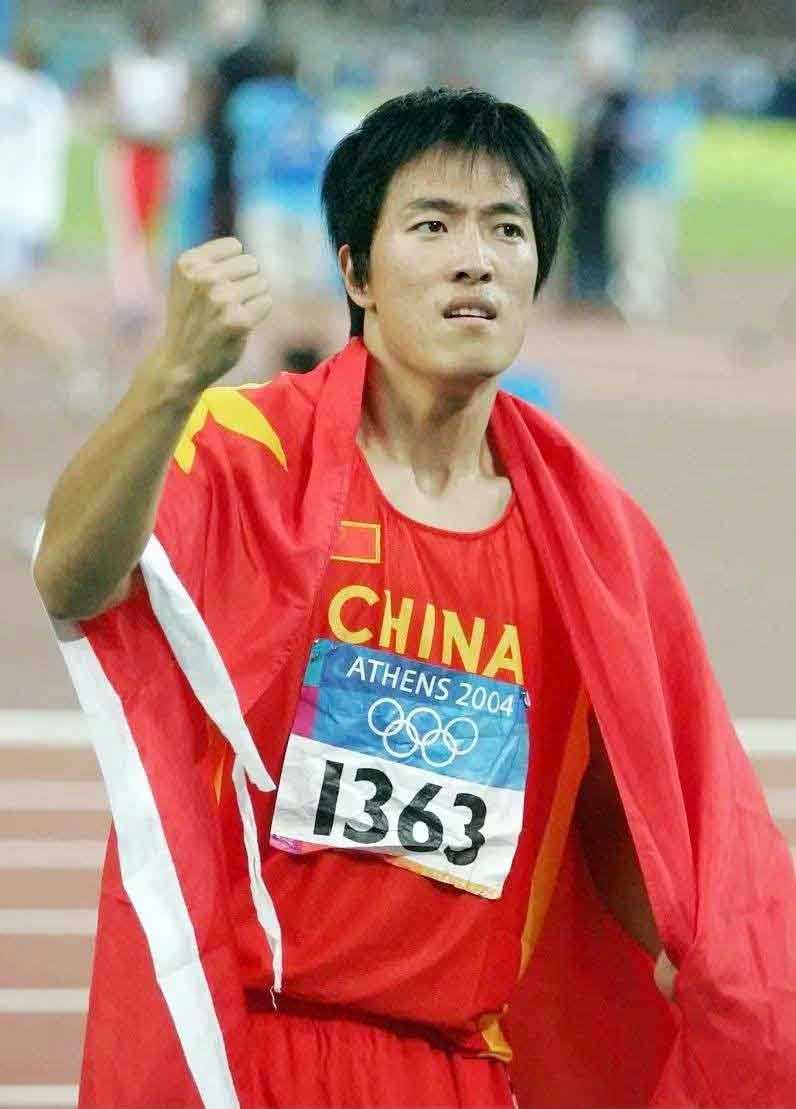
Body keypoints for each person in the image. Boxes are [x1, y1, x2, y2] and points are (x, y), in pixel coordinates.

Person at [33, 89, 794, 1108]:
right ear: (356, 271)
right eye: (432, 226)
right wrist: (170, 378)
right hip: (247, 1052)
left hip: (455, 1070)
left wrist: (722, 976)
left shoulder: (590, 538)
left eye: (506, 229)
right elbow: (72, 577)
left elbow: (630, 820)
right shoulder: (251, 453)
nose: (474, 259)